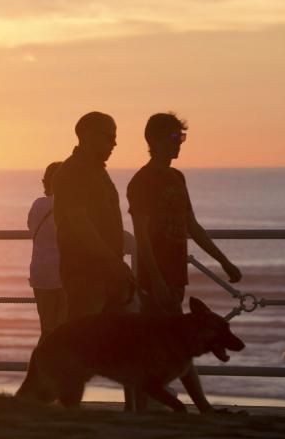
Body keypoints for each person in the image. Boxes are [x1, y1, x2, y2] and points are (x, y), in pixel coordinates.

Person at [127, 112, 243, 413]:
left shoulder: (177, 178)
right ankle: (174, 407)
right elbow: (142, 237)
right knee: (163, 346)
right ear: (154, 140)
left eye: (182, 138)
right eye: (175, 138)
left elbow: (192, 225)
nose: (180, 144)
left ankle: (156, 407)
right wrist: (155, 280)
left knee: (174, 345)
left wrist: (224, 261)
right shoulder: (142, 182)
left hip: (176, 274)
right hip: (157, 278)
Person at [52, 112, 135, 323]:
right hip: (85, 274)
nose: (114, 143)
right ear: (89, 136)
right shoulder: (72, 172)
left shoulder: (98, 171)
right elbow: (80, 223)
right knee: (85, 337)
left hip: (106, 273)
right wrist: (112, 261)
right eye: (109, 136)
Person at [27, 161, 66, 336]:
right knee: (64, 328)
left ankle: (39, 362)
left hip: (39, 273)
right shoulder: (64, 205)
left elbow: (30, 226)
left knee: (47, 328)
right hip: (61, 273)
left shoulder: (37, 205)